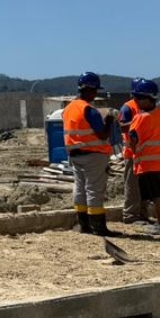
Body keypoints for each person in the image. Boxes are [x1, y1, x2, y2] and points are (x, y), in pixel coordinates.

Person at [63, 72, 115, 236]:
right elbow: (102, 135)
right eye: (95, 91)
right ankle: (99, 227)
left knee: (80, 188)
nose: (95, 94)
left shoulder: (69, 108)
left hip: (75, 154)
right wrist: (108, 121)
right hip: (94, 155)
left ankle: (84, 225)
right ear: (91, 90)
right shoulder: (89, 110)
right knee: (94, 190)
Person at [127, 79, 160, 234]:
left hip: (148, 164)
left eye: (137, 98)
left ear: (145, 98)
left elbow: (132, 141)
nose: (135, 101)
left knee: (157, 195)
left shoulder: (141, 118)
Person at [119, 79, 147, 224]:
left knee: (143, 187)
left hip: (146, 154)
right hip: (132, 153)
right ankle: (130, 214)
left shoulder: (146, 107)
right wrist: (141, 120)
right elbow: (123, 127)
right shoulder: (128, 108)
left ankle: (142, 213)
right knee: (132, 185)